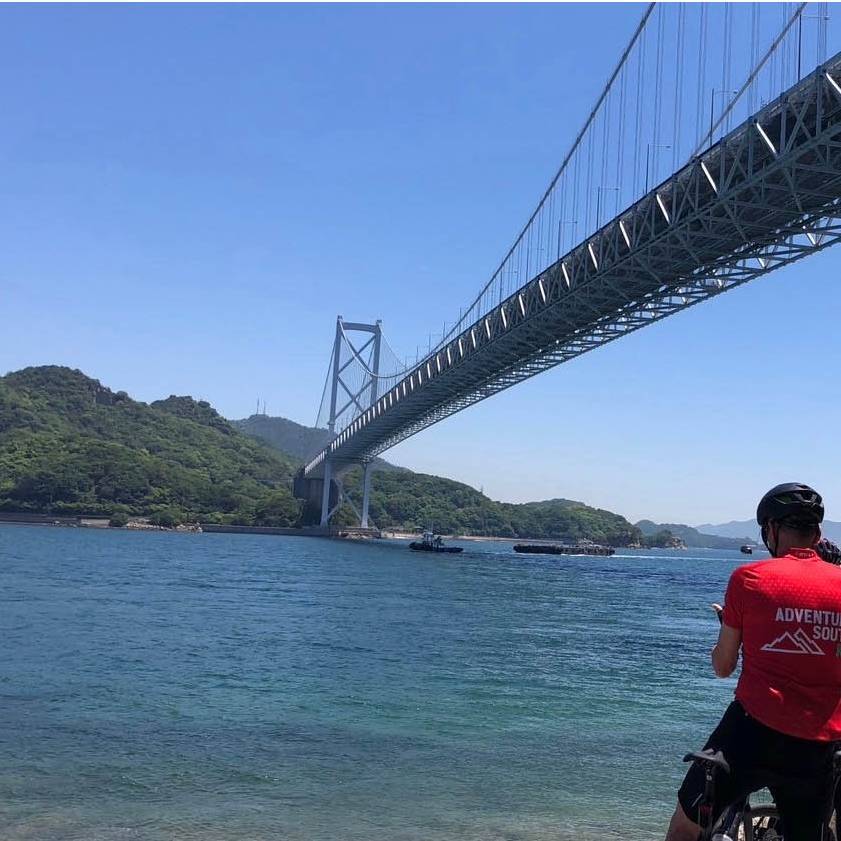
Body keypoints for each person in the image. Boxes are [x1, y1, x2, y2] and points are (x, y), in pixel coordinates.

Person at [665, 483, 841, 841]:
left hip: (750, 732)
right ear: (818, 532)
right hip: (817, 743)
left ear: (770, 530)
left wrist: (740, 635)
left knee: (686, 825)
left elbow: (723, 667)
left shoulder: (749, 579)